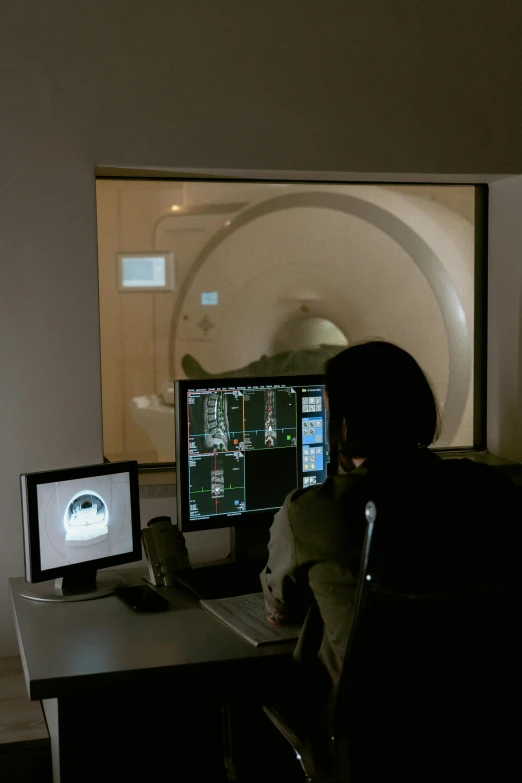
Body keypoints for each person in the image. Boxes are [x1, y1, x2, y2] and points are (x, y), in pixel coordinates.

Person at [260, 340, 519, 716]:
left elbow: (281, 609)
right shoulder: (490, 489)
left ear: (344, 422)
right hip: (483, 728)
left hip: (369, 741)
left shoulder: (311, 512)